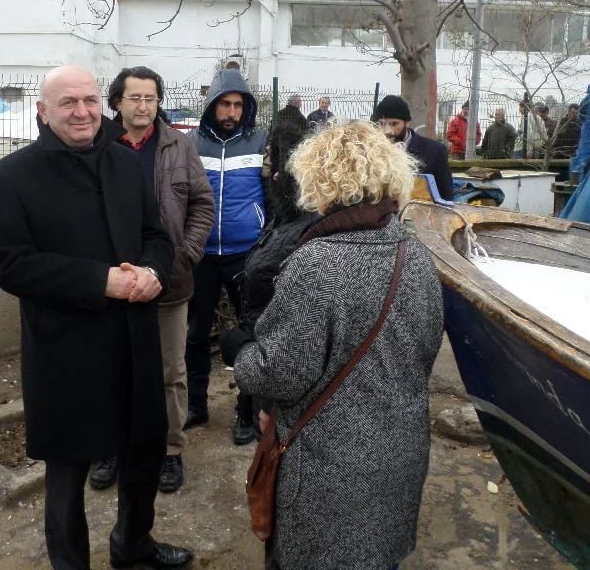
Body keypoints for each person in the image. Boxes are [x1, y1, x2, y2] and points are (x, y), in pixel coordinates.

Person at [0, 65, 192, 570]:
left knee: (143, 453)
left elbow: (156, 235)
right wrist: (102, 281)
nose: (82, 112)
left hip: (133, 337)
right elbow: (13, 266)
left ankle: (133, 544)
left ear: (103, 104)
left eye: (89, 100)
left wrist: (152, 271)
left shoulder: (125, 163)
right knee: (68, 471)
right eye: (68, 103)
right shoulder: (11, 177)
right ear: (43, 112)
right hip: (65, 349)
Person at [221, 121, 443, 570]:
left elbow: (280, 374)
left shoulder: (317, 262)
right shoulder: (416, 254)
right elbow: (424, 350)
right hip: (400, 454)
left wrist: (239, 349)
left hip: (330, 468)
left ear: (320, 178)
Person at [94, 67, 214, 495]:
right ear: (117, 102)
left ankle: (170, 450)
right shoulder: (98, 145)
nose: (144, 106)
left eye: (151, 98)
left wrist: (186, 253)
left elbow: (202, 204)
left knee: (170, 372)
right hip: (111, 282)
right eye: (135, 97)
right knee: (110, 369)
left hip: (169, 281)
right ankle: (110, 447)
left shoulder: (180, 145)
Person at [186, 68, 267, 446]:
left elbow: (273, 194)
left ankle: (247, 411)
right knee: (195, 335)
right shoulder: (189, 144)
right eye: (225, 104)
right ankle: (195, 404)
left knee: (251, 335)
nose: (232, 112)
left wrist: (266, 240)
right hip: (200, 255)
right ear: (211, 106)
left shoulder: (260, 142)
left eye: (238, 105)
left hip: (245, 255)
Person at [237, 123, 319, 436]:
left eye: (272, 160)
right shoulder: (284, 218)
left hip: (275, 367)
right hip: (260, 351)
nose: (267, 169)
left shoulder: (305, 232)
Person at [373, 95, 454, 201]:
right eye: (381, 124)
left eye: (394, 124)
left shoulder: (434, 151)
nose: (387, 130)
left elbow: (446, 196)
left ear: (407, 123)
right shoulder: (373, 152)